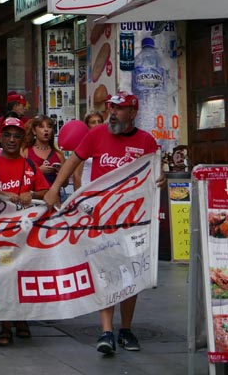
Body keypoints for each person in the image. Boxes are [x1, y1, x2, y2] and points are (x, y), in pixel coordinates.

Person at [44, 91, 160, 355]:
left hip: (132, 222)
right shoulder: (96, 135)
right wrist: (55, 188)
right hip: (101, 220)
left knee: (132, 273)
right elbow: (73, 160)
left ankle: (126, 329)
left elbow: (156, 174)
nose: (113, 113)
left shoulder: (146, 141)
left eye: (119, 109)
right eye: (111, 108)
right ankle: (106, 331)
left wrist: (160, 179)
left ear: (133, 112)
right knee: (106, 272)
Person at [0, 117, 49, 347]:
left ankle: (22, 319)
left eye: (17, 136)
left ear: (22, 139)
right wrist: (2, 195)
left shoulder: (31, 166)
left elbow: (46, 191)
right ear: (1, 138)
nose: (12, 140)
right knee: (4, 277)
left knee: (22, 275)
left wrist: (31, 195)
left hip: (25, 234)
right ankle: (5, 326)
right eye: (8, 135)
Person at [23, 115, 64, 187]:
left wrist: (60, 175)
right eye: (41, 127)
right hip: (33, 196)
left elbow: (65, 184)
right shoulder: (25, 152)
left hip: (53, 196)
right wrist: (38, 172)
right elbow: (18, 178)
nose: (46, 130)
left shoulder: (58, 155)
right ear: (34, 131)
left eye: (49, 127)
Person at [73, 111, 105, 189]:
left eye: (99, 121)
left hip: (102, 189)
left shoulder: (106, 143)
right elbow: (77, 175)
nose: (97, 124)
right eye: (93, 122)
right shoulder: (84, 144)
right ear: (87, 126)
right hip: (86, 189)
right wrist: (79, 197)